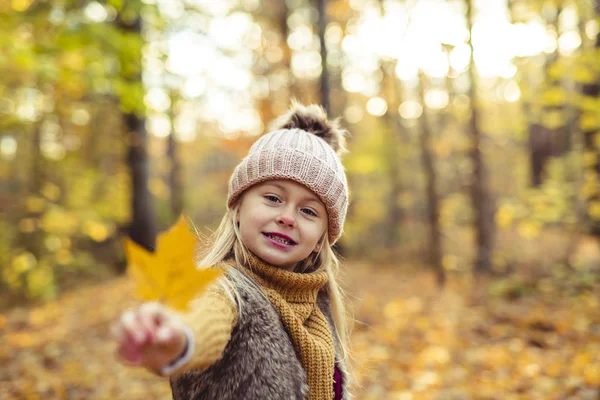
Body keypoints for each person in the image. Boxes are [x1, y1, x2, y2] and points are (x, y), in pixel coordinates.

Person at [111, 102, 353, 400]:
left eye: (308, 211)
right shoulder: (225, 289)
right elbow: (205, 320)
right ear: (238, 207)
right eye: (274, 198)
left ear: (320, 238)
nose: (287, 217)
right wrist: (179, 337)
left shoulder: (318, 309)